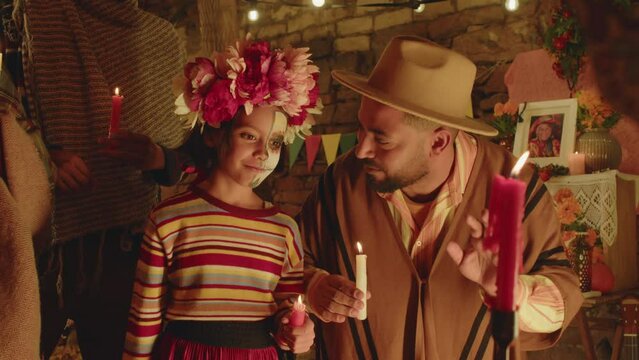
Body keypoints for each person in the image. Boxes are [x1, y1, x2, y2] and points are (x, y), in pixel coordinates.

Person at [298, 36, 583, 359]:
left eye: (382, 139)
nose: (362, 149)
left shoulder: (513, 187)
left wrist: (509, 289)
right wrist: (312, 286)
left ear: (438, 143)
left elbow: (564, 296)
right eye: (362, 130)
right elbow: (289, 263)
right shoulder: (340, 183)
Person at [5, 0, 190, 358]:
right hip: (42, 243)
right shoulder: (34, 16)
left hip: (124, 246)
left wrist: (158, 156)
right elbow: (6, 119)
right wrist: (43, 158)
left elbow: (189, 155)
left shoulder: (159, 38)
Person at [122, 35, 319, 359]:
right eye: (248, 136)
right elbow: (144, 317)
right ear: (214, 132)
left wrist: (296, 330)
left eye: (274, 144)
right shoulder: (169, 220)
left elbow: (288, 311)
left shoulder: (284, 230)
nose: (262, 153)